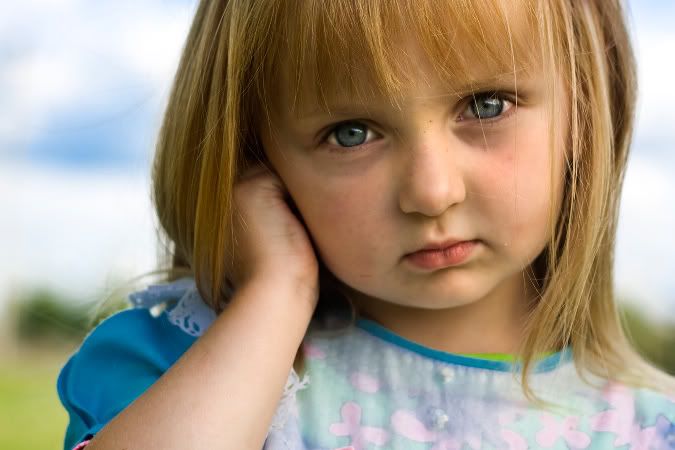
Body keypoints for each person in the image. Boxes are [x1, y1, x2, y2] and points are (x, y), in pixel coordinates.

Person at [57, 0, 675, 449]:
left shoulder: (649, 428)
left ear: (587, 112)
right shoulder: (189, 373)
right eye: (350, 134)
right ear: (255, 157)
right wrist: (277, 290)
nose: (433, 192)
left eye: (487, 105)